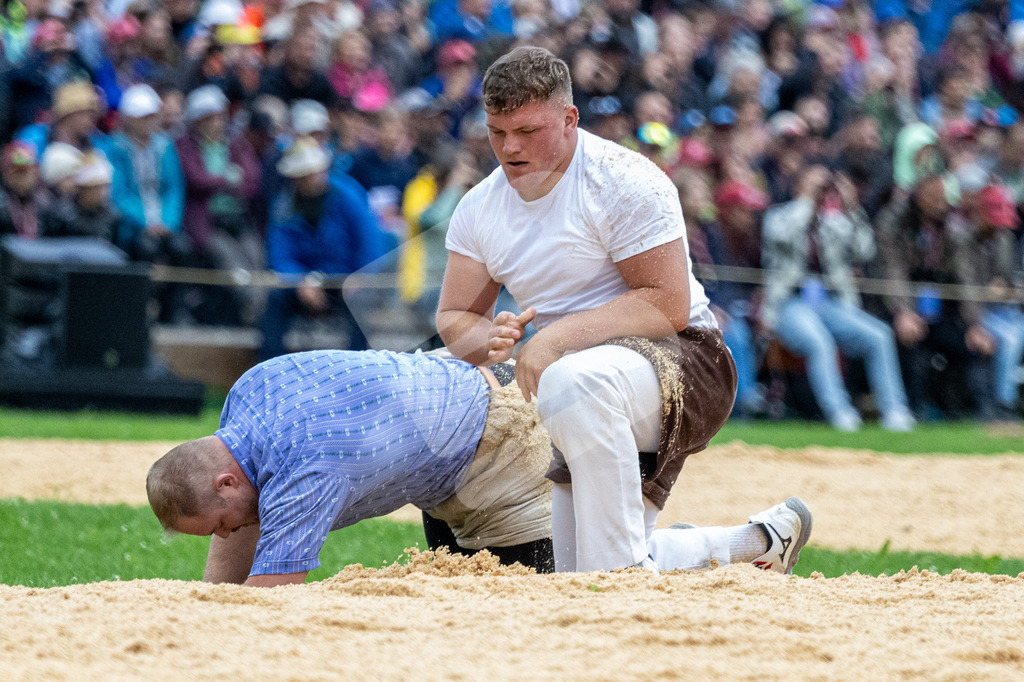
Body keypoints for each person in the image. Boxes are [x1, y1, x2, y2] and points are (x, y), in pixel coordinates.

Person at [436, 46, 812, 574]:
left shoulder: (621, 177)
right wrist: (491, 339)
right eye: (498, 132)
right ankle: (760, 542)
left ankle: (624, 585)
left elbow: (668, 304)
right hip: (586, 383)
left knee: (569, 386)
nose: (509, 148)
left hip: (688, 359)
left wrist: (555, 337)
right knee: (572, 568)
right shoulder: (480, 207)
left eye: (528, 131)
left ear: (569, 119)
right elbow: (454, 318)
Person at [147, 348, 813, 586]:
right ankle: (645, 543)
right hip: (454, 437)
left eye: (219, 523)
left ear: (227, 479)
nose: (229, 534)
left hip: (499, 447)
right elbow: (243, 548)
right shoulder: (247, 396)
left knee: (578, 583)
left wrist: (208, 623)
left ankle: (755, 542)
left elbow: (266, 599)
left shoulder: (301, 470)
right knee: (474, 591)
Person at [761, 165, 915, 432]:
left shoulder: (834, 221)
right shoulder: (779, 215)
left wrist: (852, 207)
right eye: (814, 183)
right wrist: (807, 199)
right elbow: (781, 236)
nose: (822, 190)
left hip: (830, 303)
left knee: (879, 336)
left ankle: (895, 410)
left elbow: (865, 250)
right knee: (819, 341)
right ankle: (840, 411)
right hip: (790, 304)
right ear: (799, 186)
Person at [260, 137, 385, 359]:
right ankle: (270, 365)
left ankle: (356, 366)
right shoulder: (283, 206)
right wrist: (301, 281)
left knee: (360, 308)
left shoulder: (348, 195)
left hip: (345, 280)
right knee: (274, 301)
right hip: (304, 281)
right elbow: (279, 255)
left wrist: (360, 277)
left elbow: (370, 241)